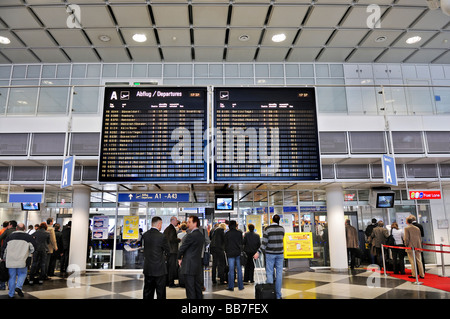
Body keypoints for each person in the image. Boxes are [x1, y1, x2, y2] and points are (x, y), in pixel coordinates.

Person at [254, 214, 285, 299]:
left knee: (269, 273)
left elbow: (264, 244)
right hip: (280, 253)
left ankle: (271, 294)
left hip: (270, 254)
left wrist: (258, 252)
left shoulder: (268, 229)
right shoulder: (282, 229)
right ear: (279, 220)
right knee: (279, 274)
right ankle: (278, 295)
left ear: (272, 220)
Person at [1, 222, 35, 298]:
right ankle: (18, 287)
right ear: (24, 229)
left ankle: (11, 293)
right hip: (22, 260)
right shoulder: (28, 237)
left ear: (16, 228)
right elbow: (33, 248)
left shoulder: (9, 237)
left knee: (11, 277)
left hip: (10, 260)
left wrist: (3, 258)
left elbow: (4, 249)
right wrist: (28, 253)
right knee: (22, 274)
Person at [142, 216, 170, 299]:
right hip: (160, 269)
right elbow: (168, 251)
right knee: (160, 293)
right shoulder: (162, 236)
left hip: (148, 269)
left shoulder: (145, 235)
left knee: (147, 292)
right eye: (161, 224)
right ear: (159, 224)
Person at [177, 215, 205, 299]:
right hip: (197, 265)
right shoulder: (200, 235)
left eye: (189, 222)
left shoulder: (190, 235)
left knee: (190, 289)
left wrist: (179, 258)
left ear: (195, 223)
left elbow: (182, 248)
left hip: (189, 265)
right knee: (197, 288)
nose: (188, 224)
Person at [224, 220, 244, 291]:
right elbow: (242, 243)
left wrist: (226, 251)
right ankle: (240, 286)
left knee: (231, 271)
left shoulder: (227, 234)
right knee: (239, 270)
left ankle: (231, 286)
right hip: (238, 253)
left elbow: (225, 244)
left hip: (230, 253)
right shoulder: (239, 233)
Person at [163, 216, 180, 288]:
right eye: (176, 221)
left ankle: (167, 282)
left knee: (168, 267)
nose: (177, 222)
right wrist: (178, 240)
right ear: (173, 221)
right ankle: (171, 283)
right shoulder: (172, 229)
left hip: (168, 250)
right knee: (172, 268)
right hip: (172, 251)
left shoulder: (167, 229)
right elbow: (172, 239)